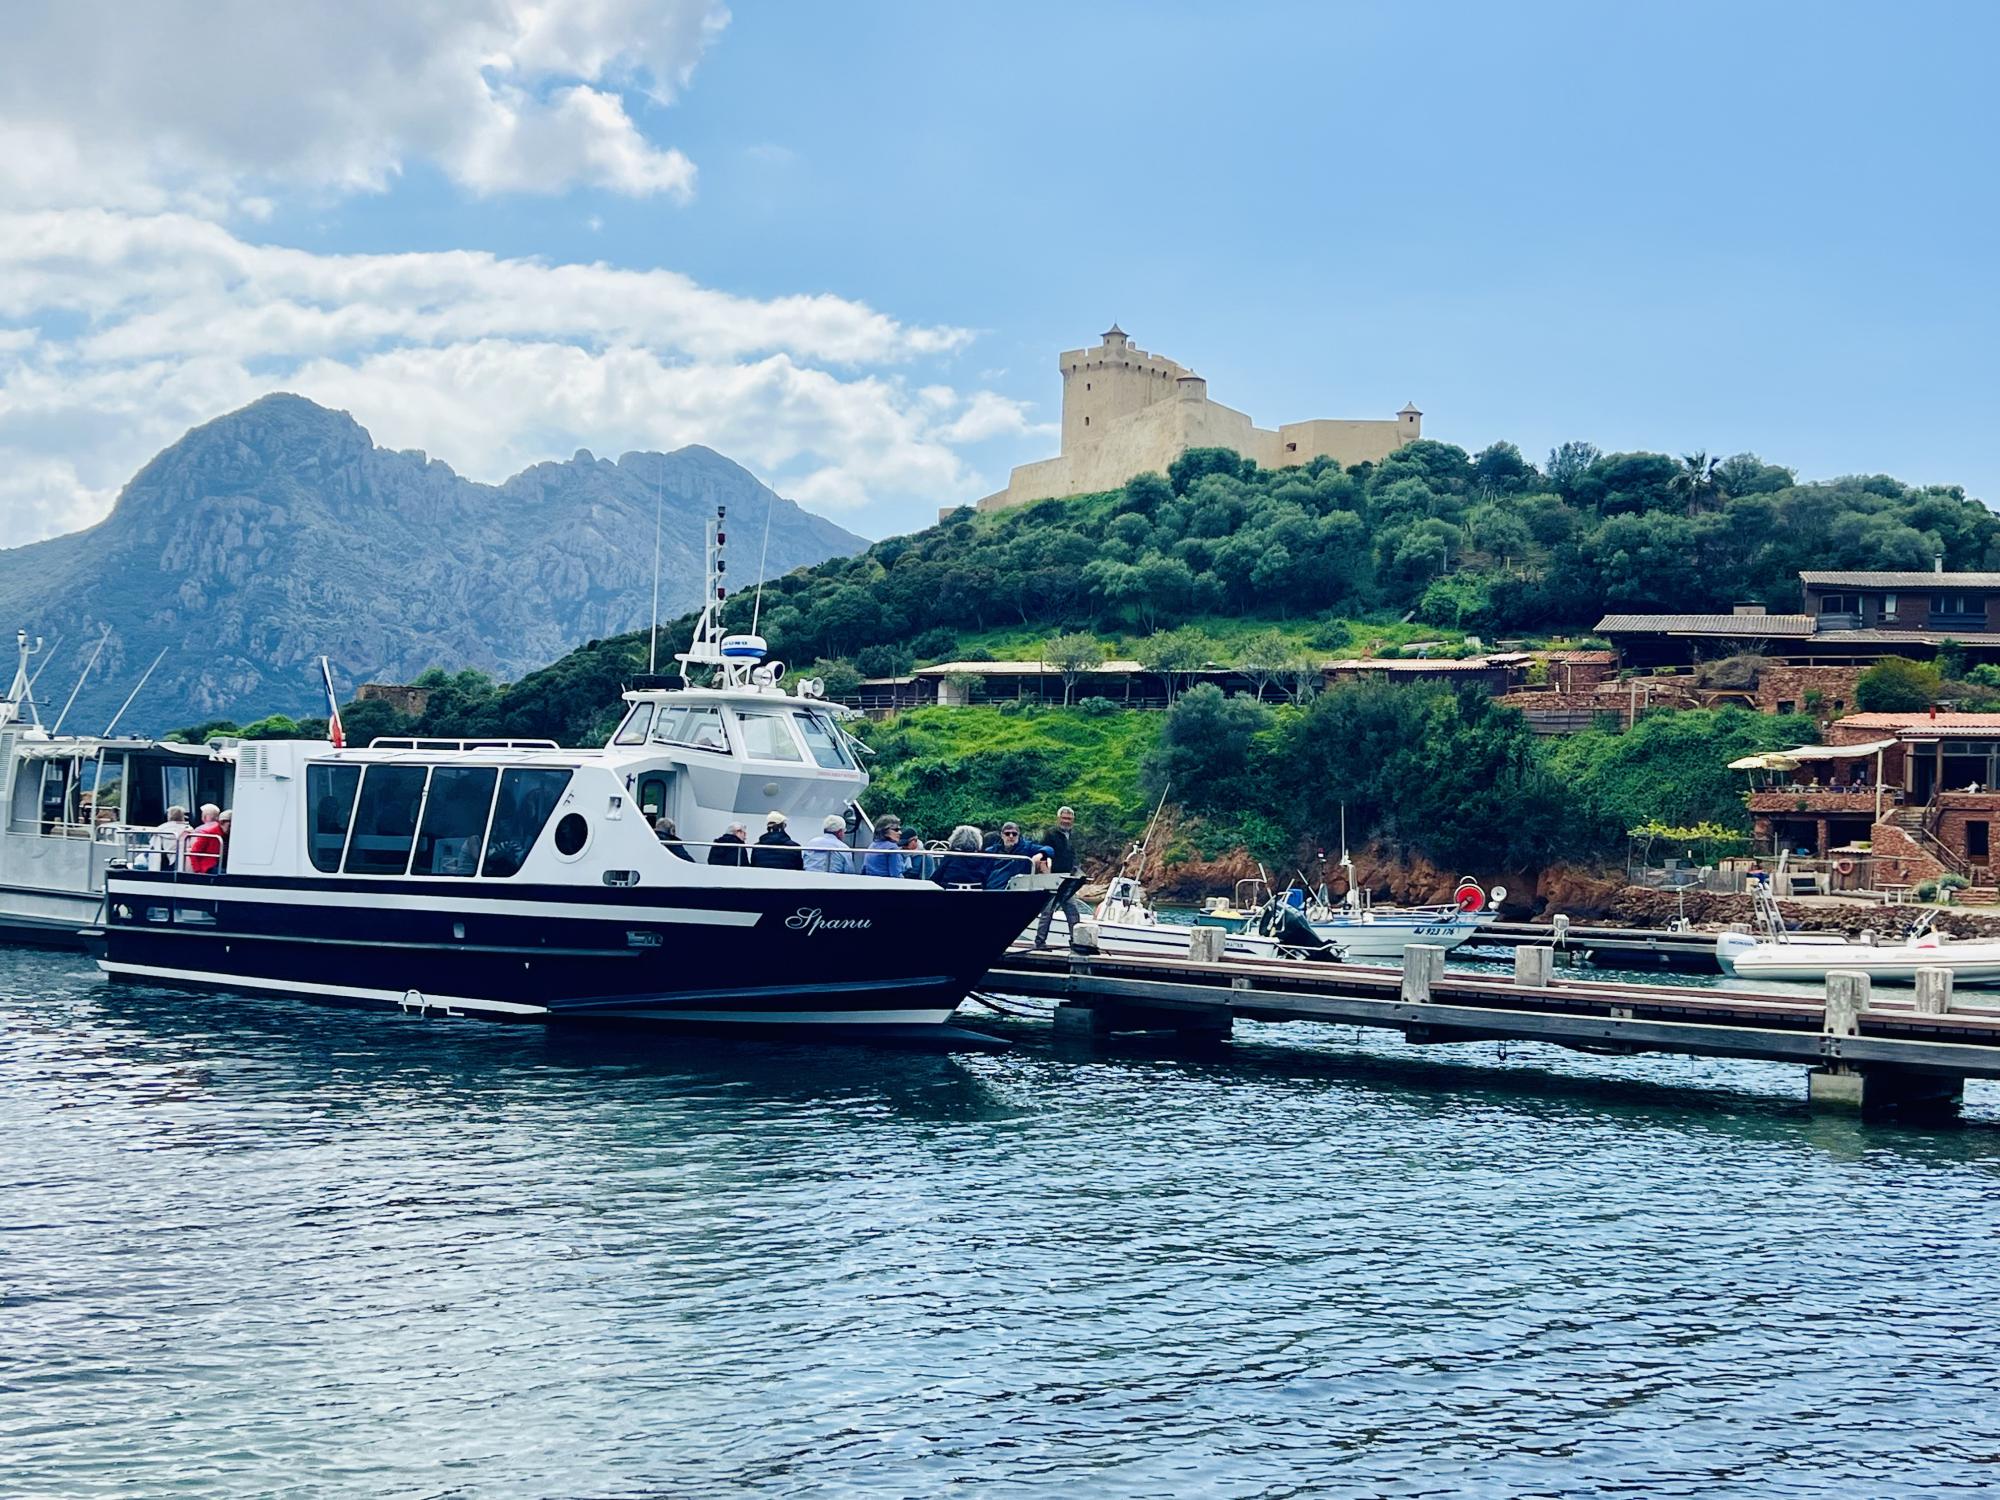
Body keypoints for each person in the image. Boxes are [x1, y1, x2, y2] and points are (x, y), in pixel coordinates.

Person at [1033, 805, 1083, 949]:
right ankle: (1040, 941)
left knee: (1073, 911)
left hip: (1068, 878)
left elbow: (1073, 856)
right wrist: (1046, 875)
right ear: (1058, 818)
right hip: (1053, 878)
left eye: (1069, 818)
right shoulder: (1050, 834)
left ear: (1073, 820)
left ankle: (1076, 941)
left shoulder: (1073, 836)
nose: (1066, 821)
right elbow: (1043, 854)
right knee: (1047, 911)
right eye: (1064, 818)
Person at [985, 820, 1052, 890]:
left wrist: (1040, 854)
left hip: (1017, 889)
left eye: (1014, 834)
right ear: (1002, 835)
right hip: (993, 888)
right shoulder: (992, 851)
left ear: (1018, 835)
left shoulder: (1027, 847)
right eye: (1007, 834)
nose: (1011, 836)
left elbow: (1049, 849)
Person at [185, 803, 225, 876]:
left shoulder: (200, 830)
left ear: (205, 816)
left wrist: (197, 870)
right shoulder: (221, 828)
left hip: (204, 867)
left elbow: (193, 850)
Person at [148, 805, 191, 872]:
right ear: (182, 816)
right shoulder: (189, 829)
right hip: (185, 861)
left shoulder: (160, 829)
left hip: (166, 860)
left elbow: (153, 845)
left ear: (169, 816)